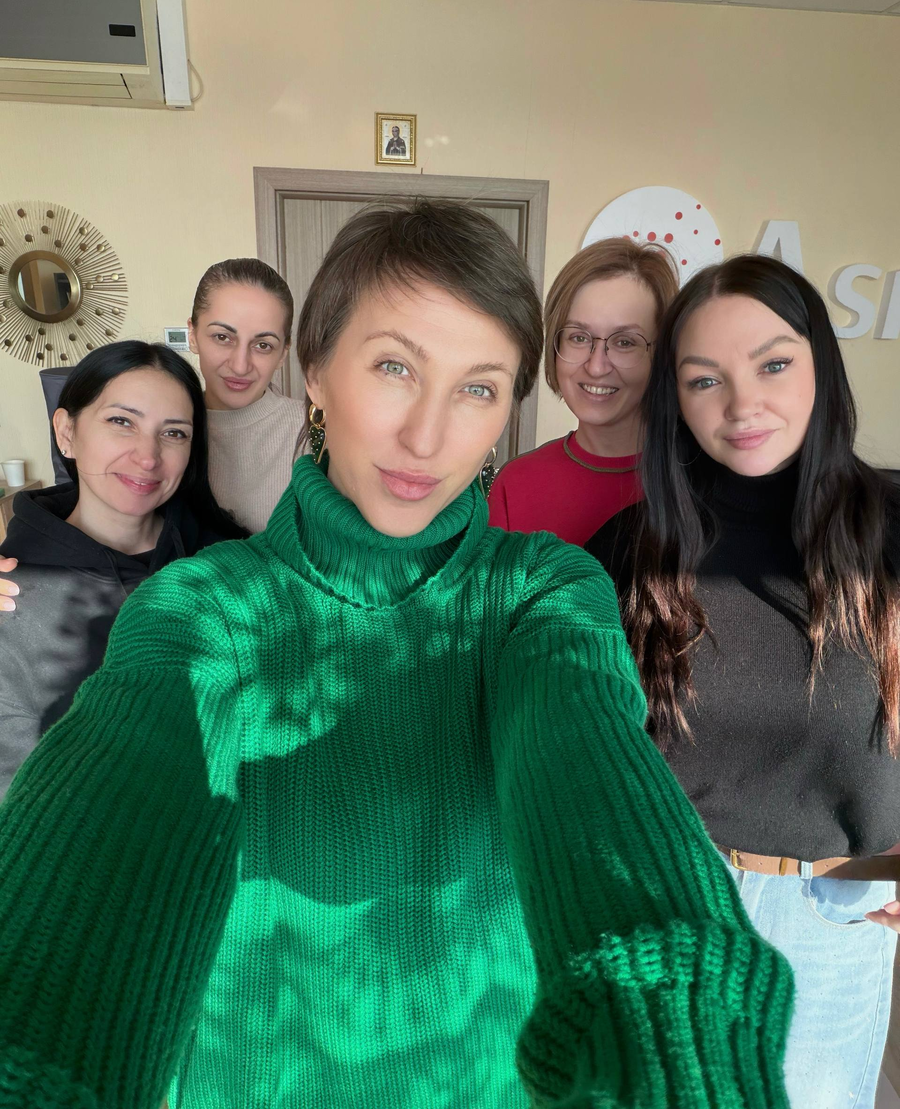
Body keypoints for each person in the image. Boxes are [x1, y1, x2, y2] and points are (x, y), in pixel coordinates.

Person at [0, 203, 793, 1109]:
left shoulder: (541, 591)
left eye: (478, 389)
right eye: (394, 368)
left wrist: (680, 1029)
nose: (428, 436)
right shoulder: (202, 605)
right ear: (316, 372)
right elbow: (113, 814)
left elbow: (589, 765)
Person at [587, 253, 900, 1109]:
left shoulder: (890, 531)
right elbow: (589, 752)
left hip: (836, 914)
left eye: (773, 364)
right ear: (676, 400)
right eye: (704, 380)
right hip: (666, 897)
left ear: (820, 366)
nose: (741, 404)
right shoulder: (631, 551)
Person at [0, 341, 246, 799]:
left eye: (174, 433)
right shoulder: (12, 594)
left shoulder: (228, 565)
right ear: (66, 432)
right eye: (121, 422)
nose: (148, 457)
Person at [488, 237, 677, 544]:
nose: (596, 366)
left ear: (661, 354)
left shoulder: (696, 483)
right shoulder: (516, 484)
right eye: (578, 337)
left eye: (625, 342)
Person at [188, 257, 306, 533]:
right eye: (222, 337)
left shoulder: (314, 433)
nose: (240, 366)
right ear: (192, 335)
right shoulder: (165, 429)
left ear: (283, 354)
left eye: (263, 345)